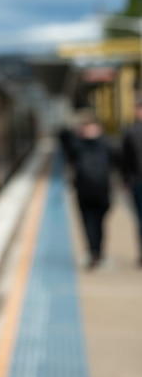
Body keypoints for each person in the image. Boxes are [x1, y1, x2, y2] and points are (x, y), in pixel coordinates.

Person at [70, 111, 117, 269]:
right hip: (97, 191)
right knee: (95, 223)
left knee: (92, 222)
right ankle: (96, 251)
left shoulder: (78, 144)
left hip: (90, 191)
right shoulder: (107, 143)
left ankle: (94, 252)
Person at [121, 98, 142, 266]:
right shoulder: (130, 132)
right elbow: (125, 160)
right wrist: (126, 180)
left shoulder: (130, 132)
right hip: (138, 181)